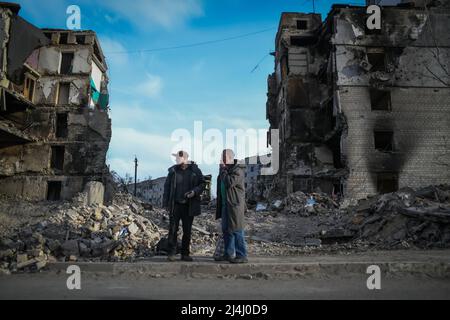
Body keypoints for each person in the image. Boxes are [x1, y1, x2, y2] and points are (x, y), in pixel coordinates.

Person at [163, 150, 205, 262]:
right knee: (172, 229)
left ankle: (185, 254)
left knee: (187, 230)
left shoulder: (195, 171)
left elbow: (202, 184)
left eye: (178, 158)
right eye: (176, 158)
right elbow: (167, 188)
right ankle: (171, 253)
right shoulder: (173, 171)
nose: (176, 160)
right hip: (175, 205)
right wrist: (166, 203)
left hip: (189, 205)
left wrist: (194, 192)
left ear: (185, 159)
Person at [215, 149, 248, 264]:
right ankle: (228, 254)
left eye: (224, 157)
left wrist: (222, 170)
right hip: (225, 205)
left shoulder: (237, 170)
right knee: (226, 230)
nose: (222, 160)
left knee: (237, 230)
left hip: (235, 206)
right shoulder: (225, 170)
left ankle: (242, 255)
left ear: (230, 158)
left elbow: (229, 183)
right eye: (221, 157)